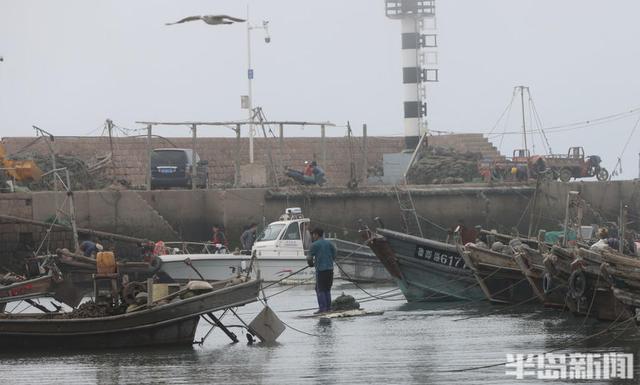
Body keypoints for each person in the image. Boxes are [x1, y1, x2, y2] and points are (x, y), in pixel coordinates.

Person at [308, 227, 336, 314]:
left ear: (316, 234)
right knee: (327, 289)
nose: (312, 236)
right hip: (330, 269)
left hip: (321, 270)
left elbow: (309, 258)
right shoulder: (329, 243)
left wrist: (311, 264)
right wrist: (331, 259)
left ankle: (322, 309)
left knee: (320, 289)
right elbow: (335, 252)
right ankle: (329, 308)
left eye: (313, 234)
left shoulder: (314, 245)